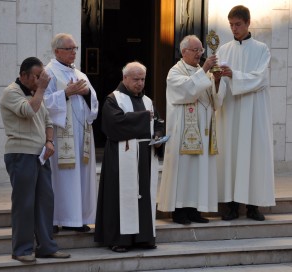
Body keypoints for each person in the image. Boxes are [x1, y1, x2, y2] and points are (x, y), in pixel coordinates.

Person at [0, 57, 70, 262]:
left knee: (45, 202)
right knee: (24, 203)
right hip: (20, 154)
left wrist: (49, 141)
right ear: (23, 75)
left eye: (42, 77)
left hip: (40, 155)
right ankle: (21, 250)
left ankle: (46, 247)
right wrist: (41, 90)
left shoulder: (34, 93)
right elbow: (29, 111)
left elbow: (48, 120)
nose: (41, 80)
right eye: (37, 77)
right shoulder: (11, 92)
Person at [94, 61, 164, 253]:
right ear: (125, 78)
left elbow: (157, 122)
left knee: (143, 196)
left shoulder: (148, 101)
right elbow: (113, 124)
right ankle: (119, 239)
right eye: (136, 79)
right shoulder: (113, 99)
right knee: (121, 196)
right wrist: (143, 118)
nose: (140, 83)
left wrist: (158, 137)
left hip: (144, 156)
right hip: (121, 156)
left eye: (142, 79)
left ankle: (144, 238)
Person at [216, 5, 275, 221]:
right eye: (231, 25)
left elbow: (260, 79)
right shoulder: (223, 50)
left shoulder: (261, 49)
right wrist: (217, 80)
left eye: (238, 24)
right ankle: (230, 206)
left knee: (254, 156)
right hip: (231, 110)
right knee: (231, 154)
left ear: (248, 23)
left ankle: (253, 206)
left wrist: (235, 75)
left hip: (254, 110)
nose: (234, 29)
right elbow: (220, 85)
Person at [157, 35, 223, 224]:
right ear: (183, 51)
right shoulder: (175, 72)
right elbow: (187, 92)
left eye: (201, 50)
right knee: (184, 171)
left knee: (199, 171)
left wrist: (217, 81)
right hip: (184, 132)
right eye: (195, 50)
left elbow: (216, 101)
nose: (199, 54)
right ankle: (179, 211)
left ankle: (195, 209)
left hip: (204, 131)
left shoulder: (206, 74)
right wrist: (205, 70)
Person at [44, 33, 99, 233]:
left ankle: (77, 219)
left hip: (81, 134)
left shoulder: (80, 74)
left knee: (80, 178)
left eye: (75, 48)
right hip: (61, 137)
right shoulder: (49, 73)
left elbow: (94, 102)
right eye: (69, 49)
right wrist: (66, 93)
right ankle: (59, 218)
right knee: (63, 179)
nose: (74, 52)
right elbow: (44, 103)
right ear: (57, 51)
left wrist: (87, 94)